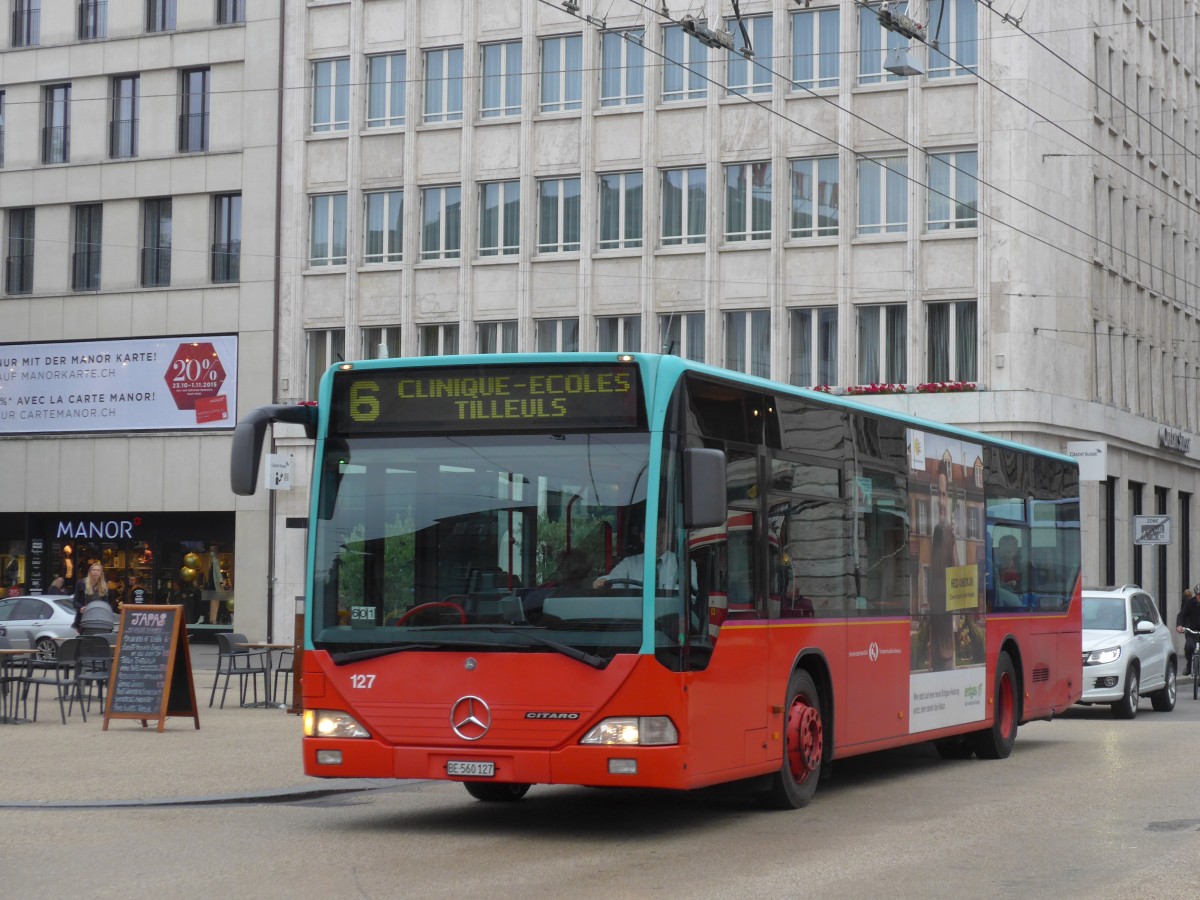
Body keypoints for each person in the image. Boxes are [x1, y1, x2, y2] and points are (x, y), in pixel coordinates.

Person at [594, 518, 693, 591]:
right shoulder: (629, 563)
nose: (658, 534)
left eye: (663, 530)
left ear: (670, 536)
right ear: (642, 537)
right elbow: (612, 580)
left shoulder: (684, 564)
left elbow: (692, 597)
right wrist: (603, 581)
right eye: (653, 530)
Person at [928, 462, 959, 672]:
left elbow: (956, 575)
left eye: (944, 495)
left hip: (946, 641)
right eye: (938, 494)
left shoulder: (950, 533)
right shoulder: (936, 532)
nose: (941, 501)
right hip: (935, 631)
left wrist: (953, 542)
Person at [72, 562, 117, 631]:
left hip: (99, 618)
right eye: (94, 570)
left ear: (100, 573)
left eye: (98, 570)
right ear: (90, 572)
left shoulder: (104, 586)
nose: (95, 572)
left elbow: (106, 603)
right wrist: (80, 607)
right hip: (84, 618)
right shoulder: (81, 583)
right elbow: (75, 602)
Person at [1176, 586, 1200, 676]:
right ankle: (1189, 666)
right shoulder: (1190, 602)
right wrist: (1179, 625)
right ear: (1196, 595)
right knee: (1188, 647)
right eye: (1198, 595)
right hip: (1192, 631)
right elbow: (1182, 615)